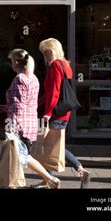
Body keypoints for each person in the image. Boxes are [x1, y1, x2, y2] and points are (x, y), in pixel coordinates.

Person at [0, 49, 61, 189]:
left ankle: (48, 179)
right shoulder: (33, 78)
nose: (11, 64)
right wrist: (6, 107)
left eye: (11, 61)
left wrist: (12, 126)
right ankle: (49, 179)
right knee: (22, 155)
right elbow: (26, 102)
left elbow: (19, 105)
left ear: (16, 62)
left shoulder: (19, 78)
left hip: (18, 123)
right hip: (30, 122)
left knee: (20, 155)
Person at [38, 38, 90, 188]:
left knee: (52, 145)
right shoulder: (65, 65)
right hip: (63, 112)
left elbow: (54, 92)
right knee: (53, 145)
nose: (44, 56)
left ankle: (78, 170)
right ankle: (50, 179)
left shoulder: (55, 65)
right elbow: (52, 93)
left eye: (45, 52)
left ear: (52, 51)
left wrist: (47, 112)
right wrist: (38, 103)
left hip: (55, 112)